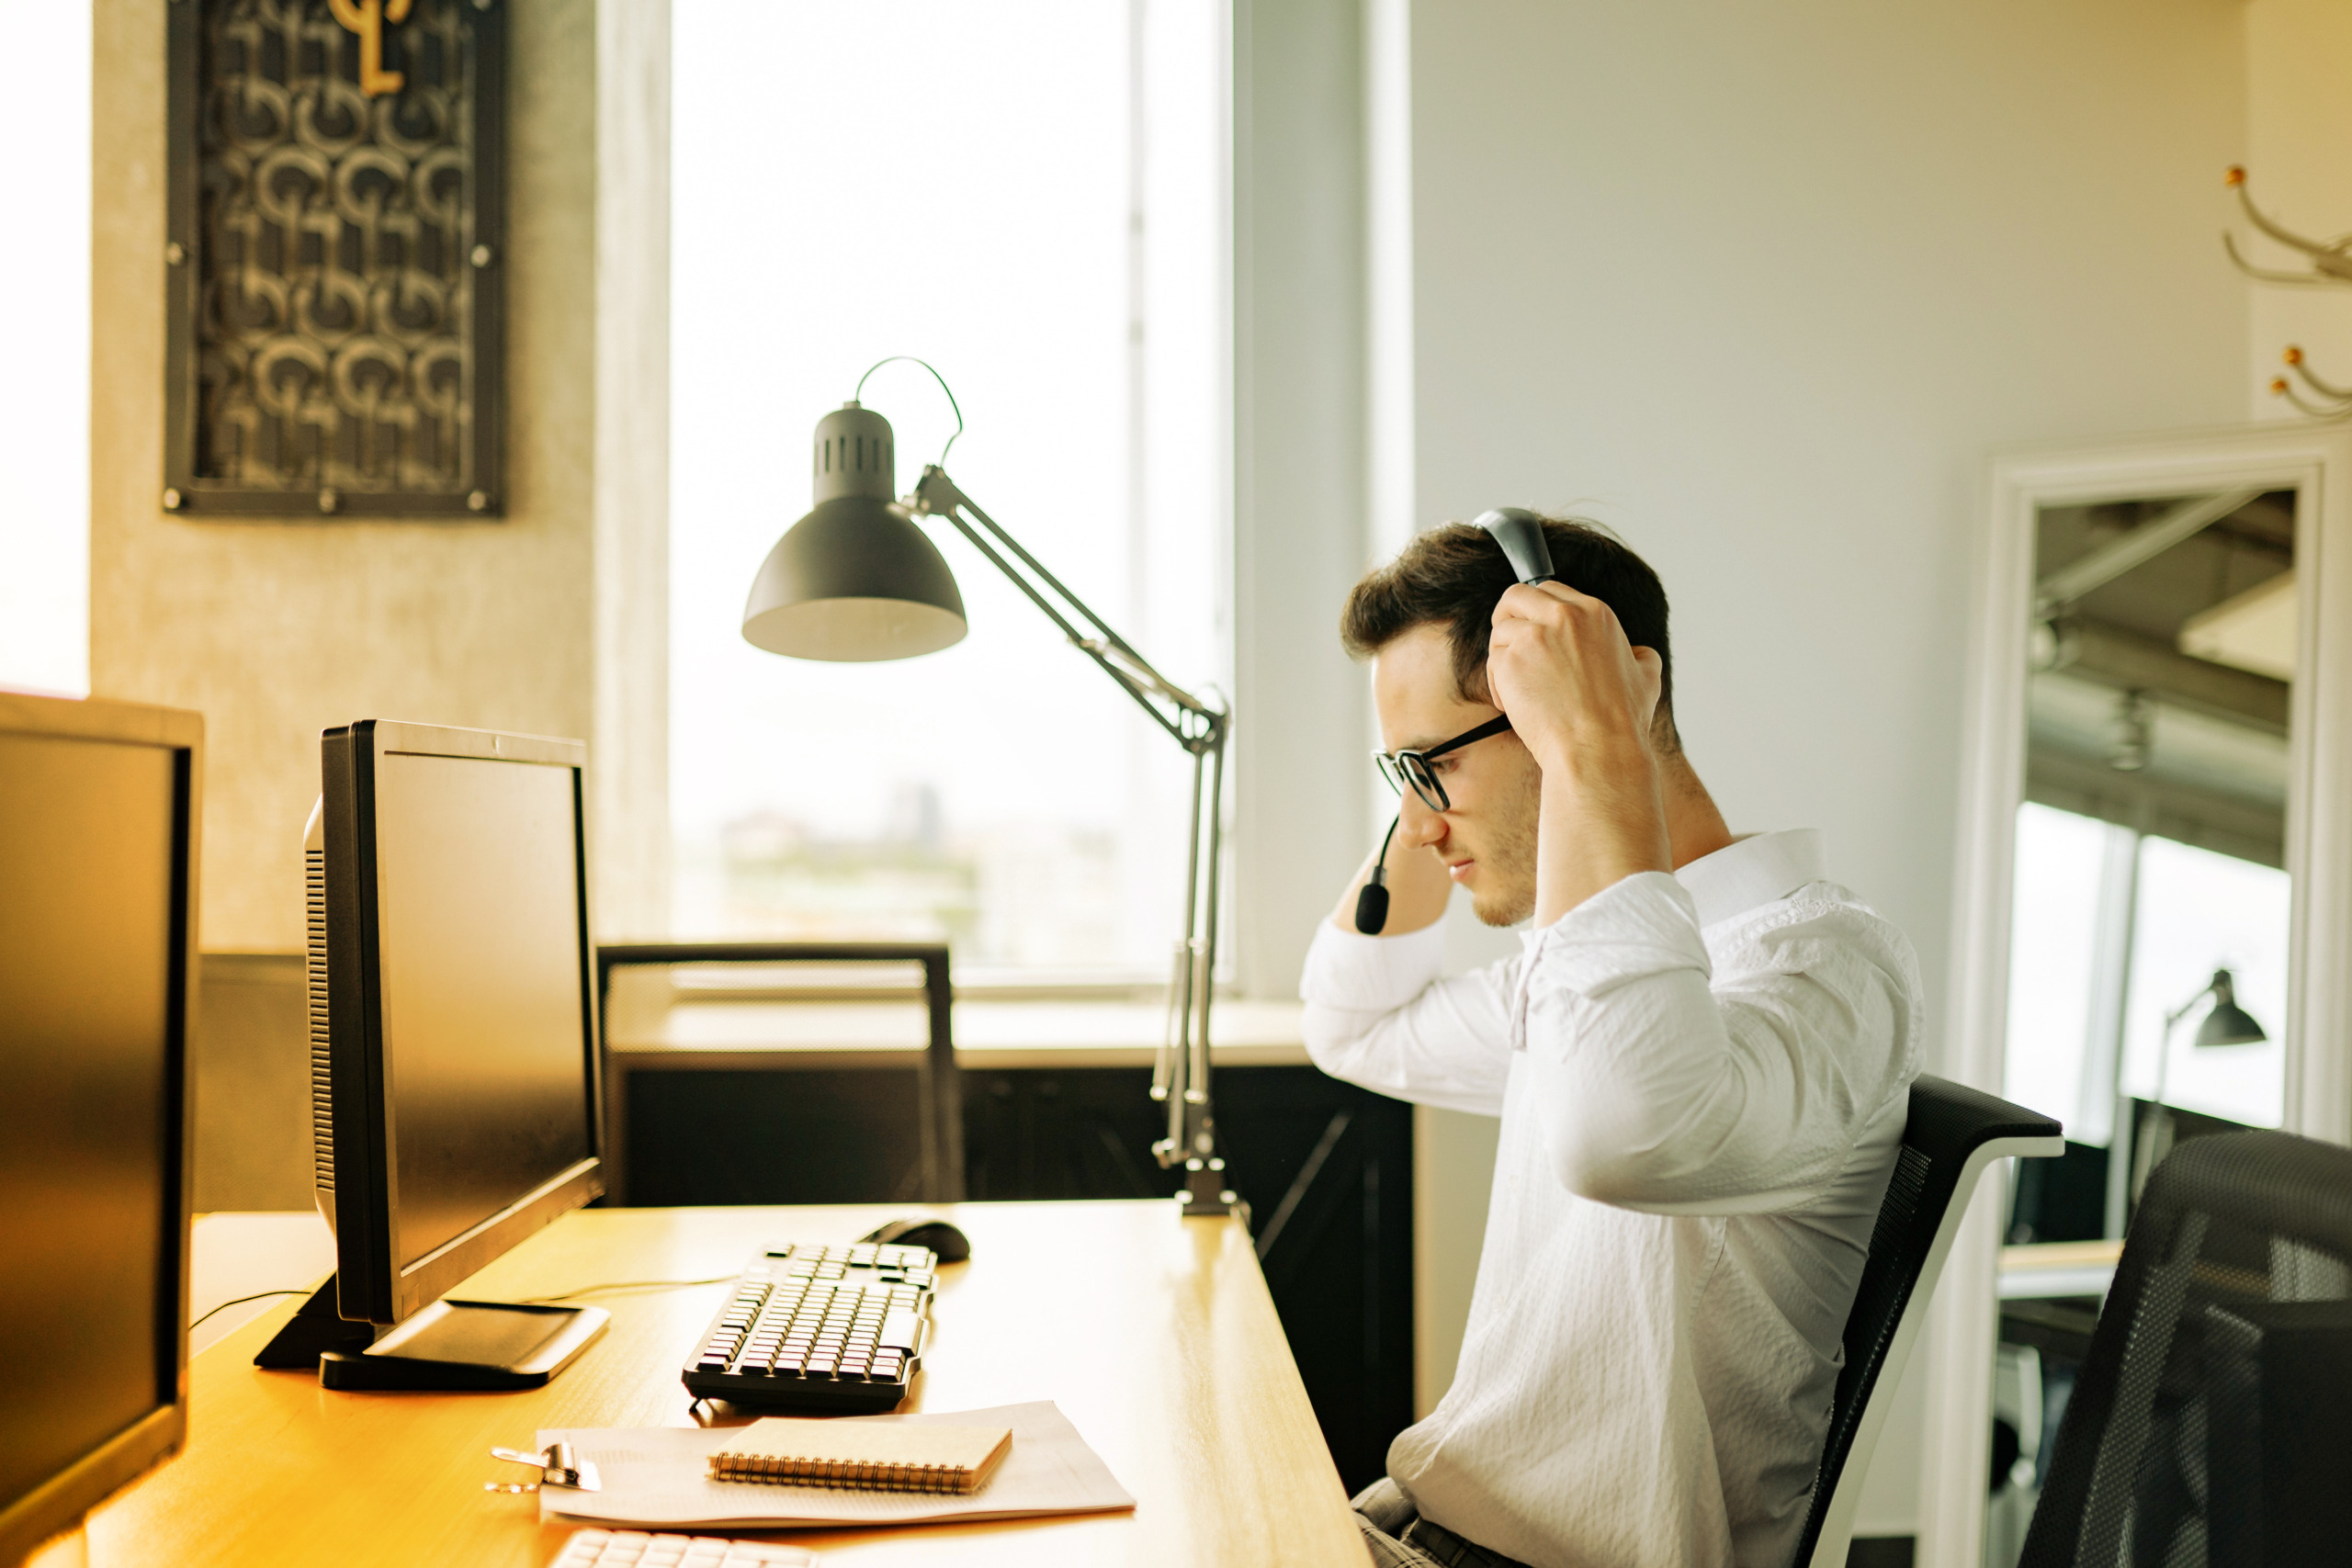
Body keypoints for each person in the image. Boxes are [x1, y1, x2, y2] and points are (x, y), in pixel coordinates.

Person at [1304, 516, 1922, 1568]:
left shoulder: (1823, 969)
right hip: (1424, 1526)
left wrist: (1597, 744)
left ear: (1601, 698)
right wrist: (1424, 778)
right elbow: (1355, 1027)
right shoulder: (1583, 959)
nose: (1415, 827)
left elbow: (1623, 1137)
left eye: (1433, 770)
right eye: (1399, 776)